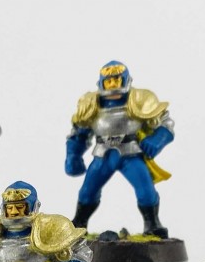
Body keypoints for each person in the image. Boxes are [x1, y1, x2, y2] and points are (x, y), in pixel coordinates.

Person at [65, 60, 175, 237]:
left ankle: (152, 223)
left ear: (126, 80)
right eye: (109, 81)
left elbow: (165, 123)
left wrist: (157, 139)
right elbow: (79, 132)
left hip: (130, 154)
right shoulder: (91, 103)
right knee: (87, 191)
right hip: (103, 155)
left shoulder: (139, 99)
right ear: (101, 83)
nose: (113, 85)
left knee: (146, 190)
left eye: (117, 80)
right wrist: (73, 155)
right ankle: (79, 222)